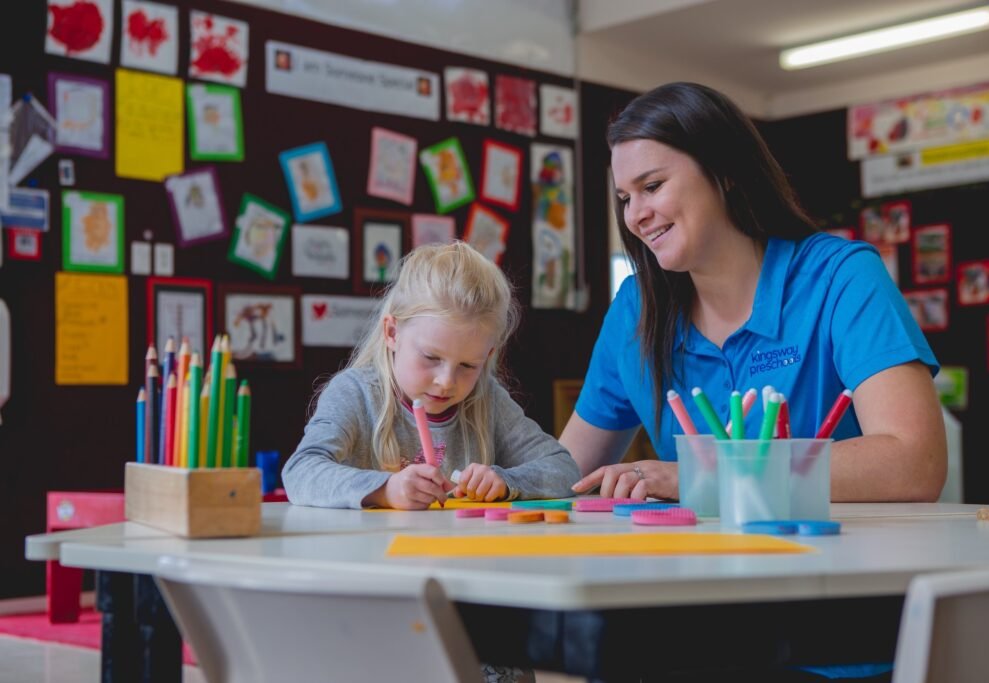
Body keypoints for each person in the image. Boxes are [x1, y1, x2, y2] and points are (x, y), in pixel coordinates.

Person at [564, 81, 947, 506]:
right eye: (624, 197)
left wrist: (703, 475)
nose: (635, 216)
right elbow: (567, 473)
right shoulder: (637, 307)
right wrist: (502, 476)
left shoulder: (841, 276)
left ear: (725, 171)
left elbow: (916, 464)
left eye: (652, 187)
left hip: (834, 561)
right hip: (696, 566)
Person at [283, 241, 579, 511]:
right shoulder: (355, 393)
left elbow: (563, 468)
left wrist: (505, 481)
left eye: (467, 365)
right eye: (431, 357)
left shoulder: (486, 398)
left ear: (488, 356)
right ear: (392, 333)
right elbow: (300, 472)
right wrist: (386, 490)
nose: (446, 381)